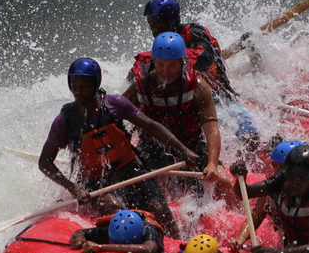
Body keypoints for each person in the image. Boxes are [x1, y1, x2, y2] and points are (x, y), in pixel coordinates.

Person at [39, 57, 199, 238]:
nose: (78, 91)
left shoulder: (115, 104)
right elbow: (44, 162)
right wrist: (73, 188)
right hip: (97, 183)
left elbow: (151, 126)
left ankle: (177, 247)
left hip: (132, 172)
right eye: (74, 86)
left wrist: (184, 150)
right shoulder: (65, 121)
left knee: (159, 210)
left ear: (95, 84)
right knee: (118, 213)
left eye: (83, 86)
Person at [144, 0, 259, 148]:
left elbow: (205, 59)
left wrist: (179, 59)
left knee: (249, 134)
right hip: (187, 101)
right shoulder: (161, 45)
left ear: (170, 20)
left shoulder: (194, 32)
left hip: (219, 96)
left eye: (157, 23)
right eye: (151, 24)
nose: (154, 29)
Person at [122, 32, 228, 189]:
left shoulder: (198, 87)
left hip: (191, 147)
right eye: (160, 64)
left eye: (172, 65)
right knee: (151, 185)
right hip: (152, 149)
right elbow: (115, 114)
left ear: (182, 62)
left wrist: (212, 164)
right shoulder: (140, 86)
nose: (165, 71)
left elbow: (212, 131)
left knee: (224, 182)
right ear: (153, 61)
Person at [70, 210, 165, 253]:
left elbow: (148, 250)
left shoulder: (150, 230)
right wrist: (79, 240)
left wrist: (101, 247)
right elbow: (79, 232)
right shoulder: (110, 229)